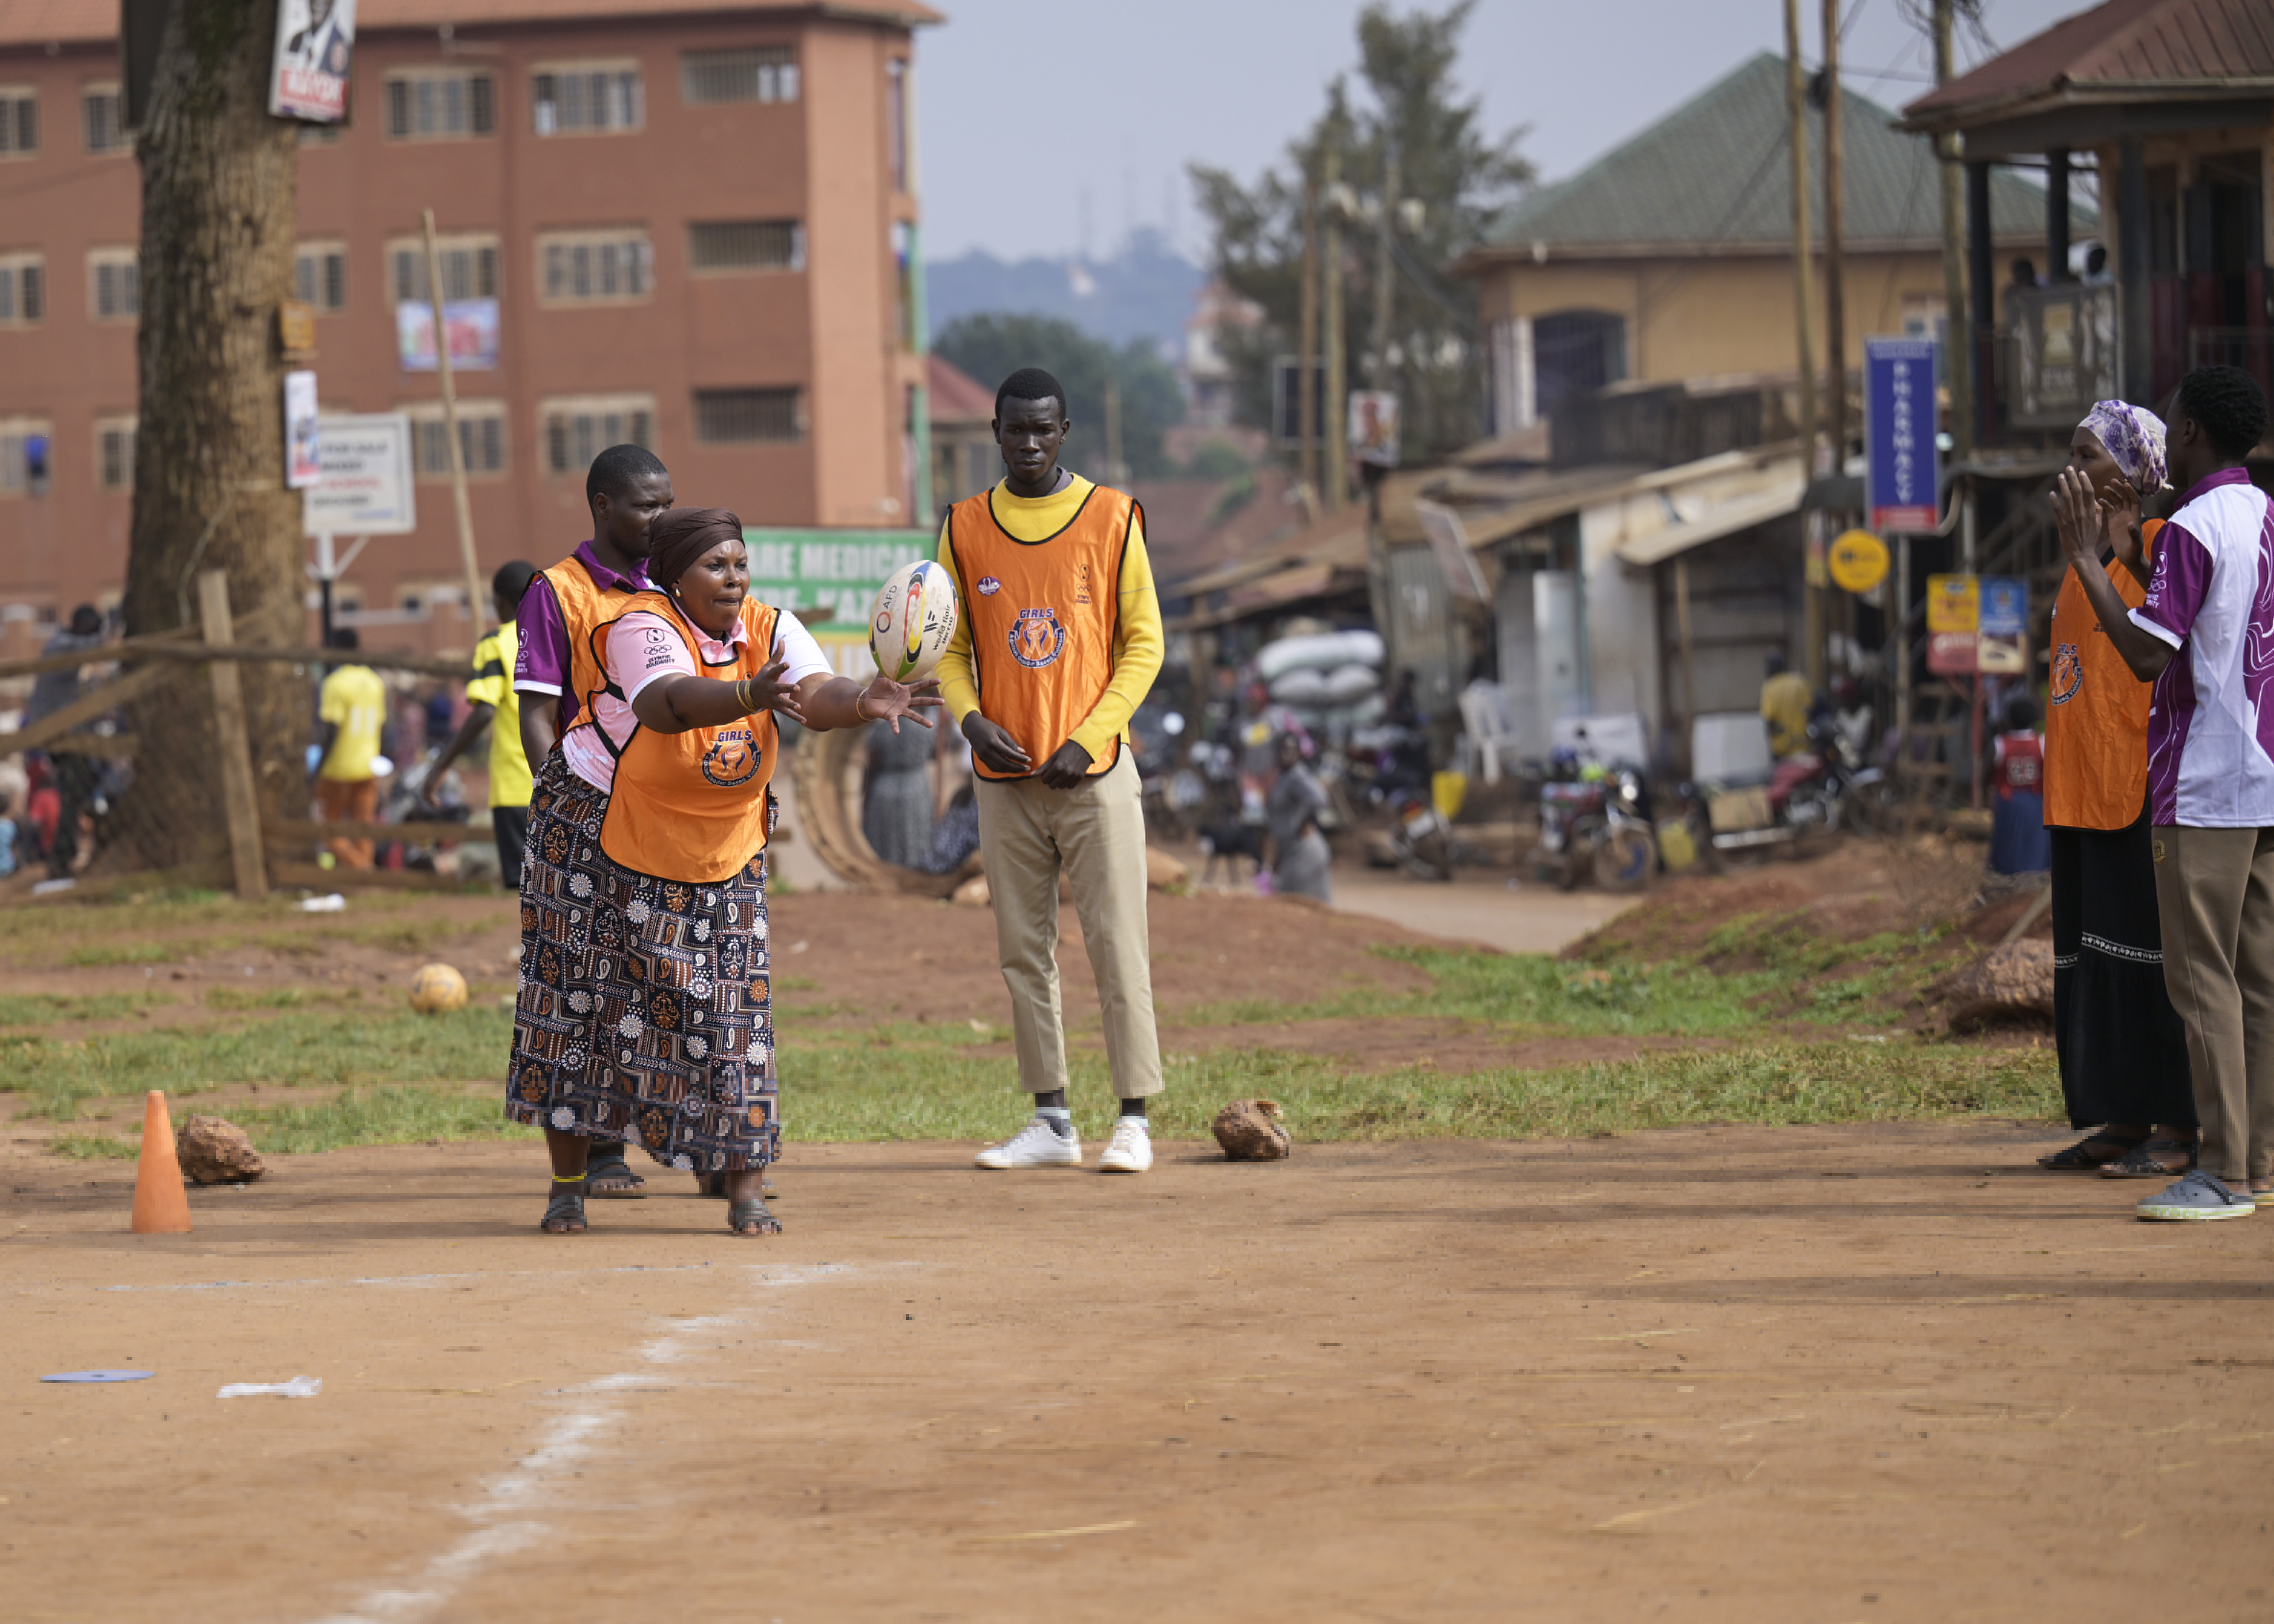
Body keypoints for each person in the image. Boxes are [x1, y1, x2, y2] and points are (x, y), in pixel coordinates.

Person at [506, 506, 939, 1237]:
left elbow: (817, 692)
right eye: (716, 565)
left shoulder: (771, 628)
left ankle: (746, 1193)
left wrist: (861, 701)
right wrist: (748, 695)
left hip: (724, 846)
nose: (734, 577)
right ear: (675, 577)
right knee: (578, 1004)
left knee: (736, 1019)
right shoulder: (640, 625)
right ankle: (569, 1185)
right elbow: (666, 703)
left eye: (740, 563)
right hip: (606, 833)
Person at [2053, 364, 2274, 1220]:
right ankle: (2253, 1160)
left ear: (2188, 435)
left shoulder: (2189, 526)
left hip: (2206, 782)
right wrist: (2119, 549)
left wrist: (2086, 559)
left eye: (2175, 421)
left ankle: (2219, 1170)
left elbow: (2148, 653)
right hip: (2263, 779)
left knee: (2202, 979)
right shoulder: (2261, 516)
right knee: (2257, 981)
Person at [934, 366, 1167, 1174]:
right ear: (994, 433)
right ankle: (1052, 1119)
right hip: (1005, 783)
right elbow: (951, 649)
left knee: (1115, 943)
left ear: (1065, 433)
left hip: (1094, 774)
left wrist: (1091, 735)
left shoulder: (1111, 516)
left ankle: (1133, 1118)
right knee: (1021, 950)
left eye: (1043, 429)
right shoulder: (964, 526)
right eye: (1013, 430)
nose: (1028, 443)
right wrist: (970, 720)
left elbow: (1145, 643)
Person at [2037, 399, 2197, 1178]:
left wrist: (2106, 557)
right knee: (2094, 959)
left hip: (2139, 785)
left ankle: (2177, 1123)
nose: (2071, 468)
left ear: (2132, 473)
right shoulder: (2078, 559)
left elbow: (2155, 656)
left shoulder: (2159, 547)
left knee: (2150, 961)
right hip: (2078, 789)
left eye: (2087, 454)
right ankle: (2124, 1117)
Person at [512, 444, 672, 1200]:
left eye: (667, 504)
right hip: (591, 816)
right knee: (588, 981)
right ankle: (601, 1149)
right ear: (603, 508)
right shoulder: (557, 592)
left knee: (666, 981)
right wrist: (568, 802)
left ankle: (693, 1142)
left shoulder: (675, 582)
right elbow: (538, 712)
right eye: (646, 506)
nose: (660, 518)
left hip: (669, 818)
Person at [423, 561, 541, 887]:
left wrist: (440, 767)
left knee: (523, 885)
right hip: (564, 782)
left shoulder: (497, 642)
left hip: (517, 784)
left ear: (501, 603)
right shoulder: (561, 636)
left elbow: (484, 712)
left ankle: (527, 942)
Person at [26, 605, 106, 878]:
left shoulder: (62, 643)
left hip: (62, 730)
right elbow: (91, 647)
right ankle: (63, 853)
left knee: (83, 782)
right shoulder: (62, 646)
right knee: (78, 785)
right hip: (56, 731)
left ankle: (71, 848)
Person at [314, 627, 388, 870]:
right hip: (368, 766)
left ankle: (362, 869)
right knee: (363, 828)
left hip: (339, 768)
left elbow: (331, 731)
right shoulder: (375, 682)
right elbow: (382, 725)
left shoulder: (335, 683)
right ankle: (364, 876)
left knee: (329, 828)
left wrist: (318, 768)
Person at [862, 711, 936, 868]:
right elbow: (933, 753)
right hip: (917, 788)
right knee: (915, 836)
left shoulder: (881, 729)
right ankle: (913, 877)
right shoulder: (925, 727)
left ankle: (889, 879)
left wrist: (865, 800)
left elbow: (872, 765)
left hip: (886, 788)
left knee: (886, 840)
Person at [1265, 731, 1332, 902]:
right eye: (1283, 750)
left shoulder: (1297, 775)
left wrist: (1306, 823)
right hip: (1290, 852)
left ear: (1300, 754)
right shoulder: (1283, 777)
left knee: (1293, 904)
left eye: (1292, 751)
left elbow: (1320, 799)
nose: (1287, 755)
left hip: (1304, 852)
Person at [1988, 694, 2049, 875]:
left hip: (2009, 800)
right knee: (2035, 842)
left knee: (2007, 842)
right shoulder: (2042, 742)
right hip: (2036, 800)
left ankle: (2006, 878)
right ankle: (2033, 878)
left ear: (2009, 719)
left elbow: (1986, 772)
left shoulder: (1999, 743)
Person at [1761, 651, 1813, 758]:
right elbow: (1810, 710)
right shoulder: (1800, 682)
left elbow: (1770, 720)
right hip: (1804, 745)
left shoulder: (1770, 687)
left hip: (1783, 749)